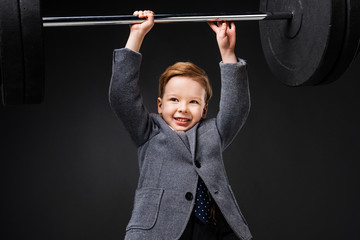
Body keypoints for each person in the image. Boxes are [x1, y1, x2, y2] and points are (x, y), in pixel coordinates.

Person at [109, 10, 252, 240]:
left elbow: (237, 108)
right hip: (159, 230)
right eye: (174, 100)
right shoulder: (149, 131)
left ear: (204, 109)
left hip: (213, 230)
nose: (183, 108)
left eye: (193, 102)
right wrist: (136, 36)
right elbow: (121, 97)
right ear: (160, 105)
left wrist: (227, 53)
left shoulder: (213, 132)